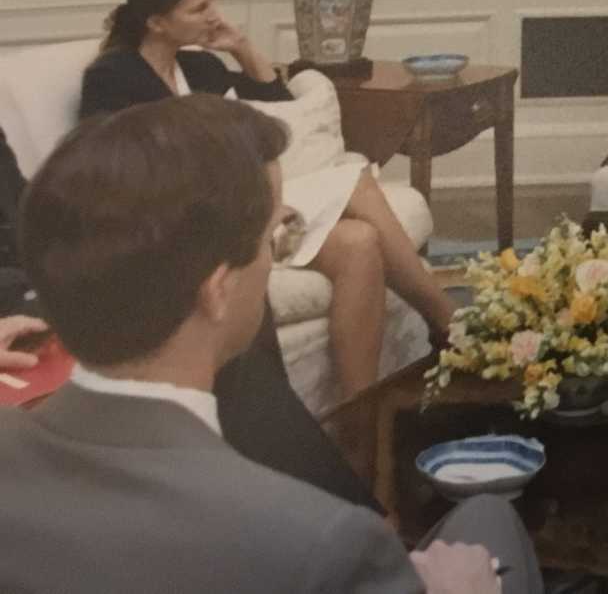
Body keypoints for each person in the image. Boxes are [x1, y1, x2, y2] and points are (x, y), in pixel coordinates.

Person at [0, 95, 541, 593]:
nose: (272, 261)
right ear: (218, 290)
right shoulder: (323, 543)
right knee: (491, 518)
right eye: (273, 239)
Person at [81, 0, 455, 399]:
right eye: (199, 9)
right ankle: (449, 322)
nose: (214, 16)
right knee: (355, 179)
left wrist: (240, 47)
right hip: (186, 224)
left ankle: (360, 414)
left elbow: (275, 105)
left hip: (245, 207)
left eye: (213, 2)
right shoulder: (112, 78)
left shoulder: (200, 68)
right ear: (157, 22)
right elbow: (118, 170)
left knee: (360, 241)